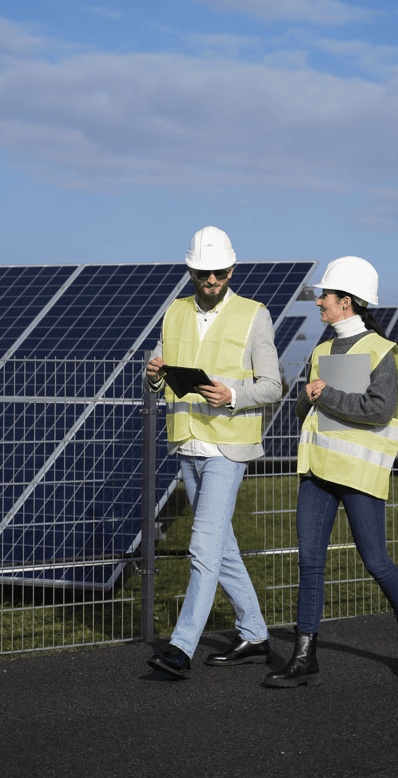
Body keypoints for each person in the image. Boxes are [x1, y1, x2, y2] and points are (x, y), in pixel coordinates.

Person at [263, 256, 398, 688]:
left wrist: (325, 394)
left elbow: (379, 410)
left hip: (357, 473)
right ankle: (304, 656)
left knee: (375, 562)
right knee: (310, 564)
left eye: (326, 296)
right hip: (317, 471)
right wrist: (308, 396)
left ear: (347, 302)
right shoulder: (321, 351)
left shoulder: (379, 350)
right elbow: (307, 410)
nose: (319, 301)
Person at [145, 226, 282, 679]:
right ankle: (255, 634)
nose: (212, 280)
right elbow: (159, 371)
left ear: (231, 270)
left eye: (220, 273)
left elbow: (273, 386)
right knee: (221, 548)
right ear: (190, 271)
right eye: (204, 273)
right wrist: (153, 375)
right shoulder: (174, 312)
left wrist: (233, 395)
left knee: (202, 546)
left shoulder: (254, 314)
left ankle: (180, 647)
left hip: (228, 447)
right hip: (187, 442)